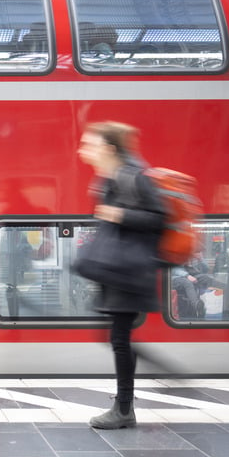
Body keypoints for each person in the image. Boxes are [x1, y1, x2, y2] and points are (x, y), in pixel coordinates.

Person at [76, 121, 166, 429]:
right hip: (117, 270)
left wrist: (118, 213)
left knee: (118, 338)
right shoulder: (110, 178)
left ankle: (124, 408)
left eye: (90, 144)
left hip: (128, 270)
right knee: (116, 338)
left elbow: (159, 217)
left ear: (109, 149)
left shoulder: (133, 176)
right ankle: (126, 404)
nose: (82, 149)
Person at [170, 249, 223, 318]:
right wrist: (187, 275)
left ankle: (223, 291)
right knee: (187, 283)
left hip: (189, 275)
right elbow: (174, 269)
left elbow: (206, 269)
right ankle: (197, 305)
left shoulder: (192, 256)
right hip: (175, 277)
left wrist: (200, 259)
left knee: (205, 278)